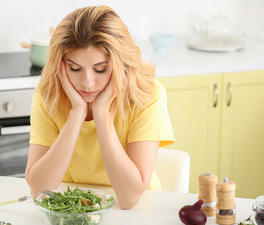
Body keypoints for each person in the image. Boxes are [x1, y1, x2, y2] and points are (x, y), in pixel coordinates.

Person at [25, 5, 175, 209]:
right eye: (75, 68)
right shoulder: (48, 96)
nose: (87, 82)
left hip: (138, 212)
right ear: (60, 65)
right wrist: (76, 113)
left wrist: (101, 114)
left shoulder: (147, 96)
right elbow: (39, 190)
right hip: (73, 207)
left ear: (121, 64)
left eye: (100, 69)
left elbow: (129, 198)